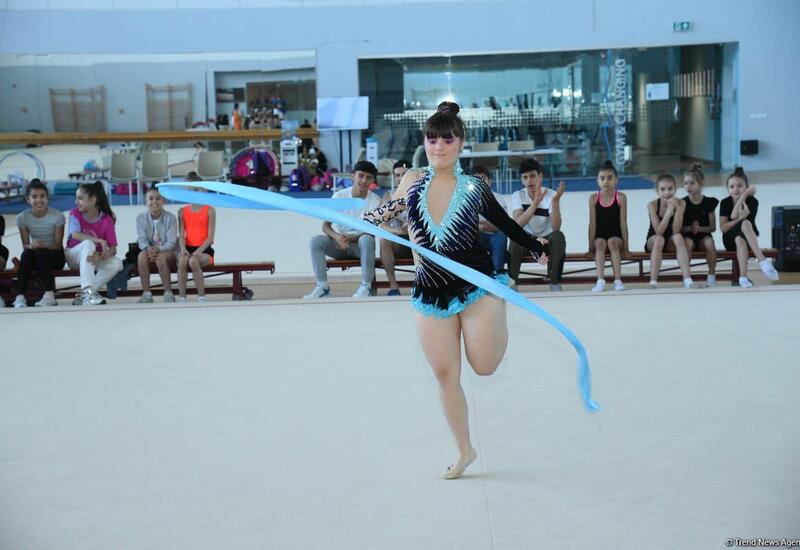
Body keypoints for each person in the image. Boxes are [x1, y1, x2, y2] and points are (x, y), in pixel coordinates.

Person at [362, 102, 547, 479]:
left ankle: (499, 303)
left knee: (485, 366)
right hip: (431, 292)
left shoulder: (474, 186)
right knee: (446, 376)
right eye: (433, 139)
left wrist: (534, 246)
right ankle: (464, 450)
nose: (439, 146)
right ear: (424, 143)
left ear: (461, 143)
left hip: (476, 285)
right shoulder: (412, 180)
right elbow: (380, 216)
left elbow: (504, 223)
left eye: (448, 140)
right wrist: (366, 216)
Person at [303, 160, 382, 299]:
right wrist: (337, 237)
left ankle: (366, 286)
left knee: (367, 239)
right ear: (353, 176)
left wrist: (351, 238)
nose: (364, 181)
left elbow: (372, 231)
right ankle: (323, 287)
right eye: (361, 175)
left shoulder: (375, 201)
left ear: (372, 181)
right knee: (315, 241)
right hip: (340, 244)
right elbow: (325, 226)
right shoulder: (339, 196)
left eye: (368, 177)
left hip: (359, 246)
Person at [506, 159, 567, 291]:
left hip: (546, 241)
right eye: (525, 177)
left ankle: (555, 283)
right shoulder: (518, 195)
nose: (529, 180)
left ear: (540, 176)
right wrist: (535, 204)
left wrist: (555, 202)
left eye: (532, 176)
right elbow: (517, 225)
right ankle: (512, 285)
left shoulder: (551, 195)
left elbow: (556, 227)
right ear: (522, 180)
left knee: (558, 236)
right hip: (527, 241)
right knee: (515, 238)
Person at [719, 166, 779, 287]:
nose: (736, 189)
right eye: (732, 187)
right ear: (728, 189)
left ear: (746, 187)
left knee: (741, 236)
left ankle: (743, 278)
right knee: (743, 225)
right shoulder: (725, 202)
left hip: (748, 239)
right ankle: (762, 261)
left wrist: (745, 196)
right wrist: (743, 197)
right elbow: (725, 226)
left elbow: (738, 219)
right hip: (729, 239)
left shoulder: (753, 201)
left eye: (740, 186)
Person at [64, 181, 123, 306]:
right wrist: (99, 240)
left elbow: (113, 249)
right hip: (73, 256)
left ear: (92, 200)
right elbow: (74, 235)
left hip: (92, 259)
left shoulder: (107, 219)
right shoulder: (75, 213)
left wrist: (101, 257)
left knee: (117, 263)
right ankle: (88, 291)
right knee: (88, 244)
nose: (76, 202)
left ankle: (85, 295)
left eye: (80, 198)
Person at [11, 179, 66, 308]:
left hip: (55, 257)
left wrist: (41, 246)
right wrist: (31, 246)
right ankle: (20, 297)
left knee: (39, 252)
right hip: (35, 255)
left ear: (48, 198)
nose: (39, 200)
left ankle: (49, 295)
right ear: (28, 199)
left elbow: (58, 245)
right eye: (34, 197)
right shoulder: (22, 217)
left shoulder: (57, 216)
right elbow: (25, 245)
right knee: (26, 254)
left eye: (42, 196)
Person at [644, 173, 693, 289]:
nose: (667, 192)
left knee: (679, 237)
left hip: (671, 240)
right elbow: (658, 231)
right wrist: (669, 211)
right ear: (657, 191)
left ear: (675, 189)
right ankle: (653, 282)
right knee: (659, 239)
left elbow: (676, 230)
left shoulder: (681, 203)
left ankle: (687, 280)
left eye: (670, 188)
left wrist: (677, 209)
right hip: (654, 240)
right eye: (662, 189)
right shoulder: (652, 205)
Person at [587, 161, 629, 292]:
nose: (606, 181)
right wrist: (590, 248)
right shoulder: (593, 198)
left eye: (610, 178)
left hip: (617, 238)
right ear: (597, 181)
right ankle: (600, 280)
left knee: (612, 242)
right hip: (599, 238)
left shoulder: (621, 197)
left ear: (616, 180)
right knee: (600, 243)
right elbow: (592, 224)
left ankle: (618, 281)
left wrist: (626, 248)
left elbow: (623, 223)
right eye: (602, 178)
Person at [177, 172, 216, 302]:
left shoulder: (210, 210)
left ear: (202, 190)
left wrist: (199, 251)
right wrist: (183, 249)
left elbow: (210, 238)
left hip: (204, 250)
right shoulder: (182, 211)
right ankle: (182, 297)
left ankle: (201, 296)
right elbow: (181, 235)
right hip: (187, 248)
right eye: (189, 190)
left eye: (195, 190)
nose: (192, 193)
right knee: (182, 261)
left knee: (193, 261)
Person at [136, 187, 179, 303]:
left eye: (158, 198)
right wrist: (147, 248)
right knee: (141, 256)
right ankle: (147, 294)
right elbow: (141, 240)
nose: (154, 201)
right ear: (146, 202)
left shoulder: (170, 218)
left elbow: (171, 242)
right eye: (151, 199)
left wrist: (158, 249)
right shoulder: (140, 218)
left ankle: (168, 293)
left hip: (168, 252)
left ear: (163, 201)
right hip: (150, 251)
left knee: (160, 258)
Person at [680, 164, 719, 287]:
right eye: (685, 183)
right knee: (687, 243)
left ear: (701, 183)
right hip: (688, 236)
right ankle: (687, 278)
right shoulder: (682, 203)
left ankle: (711, 276)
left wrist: (699, 228)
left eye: (692, 183)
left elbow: (713, 227)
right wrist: (690, 228)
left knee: (710, 243)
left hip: (703, 236)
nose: (688, 186)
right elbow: (679, 228)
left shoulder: (709, 202)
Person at [380, 160, 413, 296]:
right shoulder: (388, 196)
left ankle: (424, 285)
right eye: (397, 175)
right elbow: (382, 224)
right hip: (399, 240)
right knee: (384, 241)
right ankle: (393, 286)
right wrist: (398, 231)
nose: (400, 178)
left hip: (417, 240)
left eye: (404, 174)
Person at [472, 165, 509, 274]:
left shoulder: (499, 199)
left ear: (490, 181)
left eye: (483, 178)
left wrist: (482, 225)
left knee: (502, 236)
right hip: (477, 237)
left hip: (495, 236)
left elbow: (503, 224)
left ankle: (497, 276)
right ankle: (474, 278)